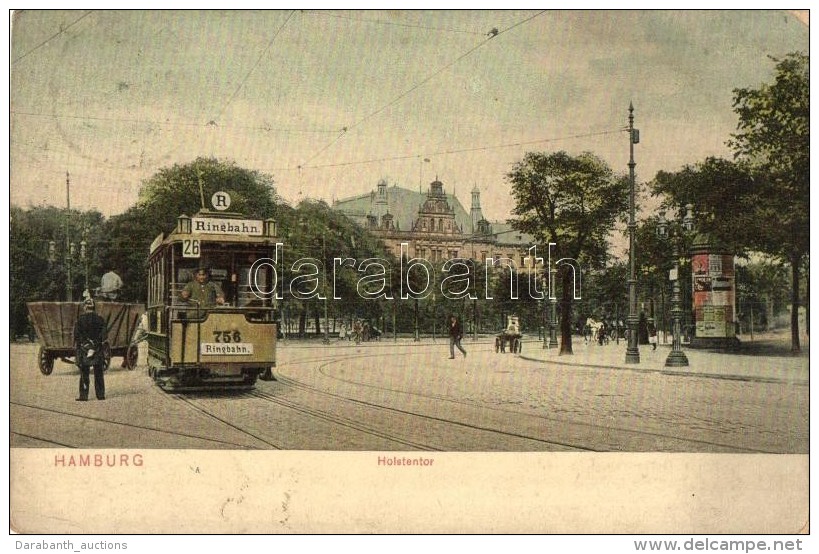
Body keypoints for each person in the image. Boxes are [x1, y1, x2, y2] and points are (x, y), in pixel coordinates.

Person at [74, 298, 107, 401]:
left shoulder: (80, 320)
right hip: (97, 348)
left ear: (85, 307)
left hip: (84, 349)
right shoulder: (100, 319)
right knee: (99, 373)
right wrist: (95, 344)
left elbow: (76, 336)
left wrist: (85, 344)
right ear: (94, 308)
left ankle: (83, 396)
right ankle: (100, 395)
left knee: (84, 373)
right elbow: (104, 336)